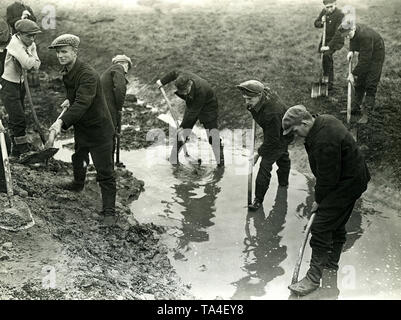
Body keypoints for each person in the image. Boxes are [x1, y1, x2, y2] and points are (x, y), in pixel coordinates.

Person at [282, 105, 370, 296]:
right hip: (352, 178)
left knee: (321, 226)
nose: (296, 136)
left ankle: (313, 278)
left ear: (305, 122)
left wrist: (319, 201)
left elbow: (327, 178)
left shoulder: (324, 140)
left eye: (296, 131)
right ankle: (331, 263)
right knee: (336, 223)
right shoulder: (323, 120)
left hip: (346, 184)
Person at [46, 34, 117, 223]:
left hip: (99, 129)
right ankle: (77, 184)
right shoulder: (68, 71)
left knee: (105, 172)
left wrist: (61, 123)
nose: (60, 56)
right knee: (79, 157)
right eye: (58, 52)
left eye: (64, 52)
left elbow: (83, 103)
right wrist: (69, 99)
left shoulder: (88, 74)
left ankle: (109, 213)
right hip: (83, 127)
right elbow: (77, 96)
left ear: (74, 52)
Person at [236, 80, 291, 211]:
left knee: (265, 165)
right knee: (283, 156)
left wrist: (258, 153)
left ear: (260, 95)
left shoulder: (272, 112)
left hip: (282, 135)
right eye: (245, 98)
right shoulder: (262, 94)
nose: (247, 102)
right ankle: (284, 184)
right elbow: (254, 109)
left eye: (250, 99)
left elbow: (272, 141)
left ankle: (258, 200)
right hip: (274, 129)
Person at [156, 70, 224, 166]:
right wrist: (162, 81)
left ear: (190, 84)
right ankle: (173, 157)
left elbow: (192, 114)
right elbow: (174, 72)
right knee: (183, 132)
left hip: (209, 107)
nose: (184, 94)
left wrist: (182, 127)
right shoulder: (182, 76)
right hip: (193, 103)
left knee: (212, 136)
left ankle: (220, 163)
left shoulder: (201, 90)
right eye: (182, 92)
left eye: (185, 92)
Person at [0, 19, 41, 158]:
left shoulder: (31, 44)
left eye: (34, 35)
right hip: (8, 84)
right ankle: (23, 151)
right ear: (20, 34)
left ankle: (15, 152)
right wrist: (31, 58)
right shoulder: (14, 44)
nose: (32, 39)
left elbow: (37, 64)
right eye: (29, 36)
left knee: (17, 115)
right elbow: (29, 64)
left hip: (21, 84)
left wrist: (30, 58)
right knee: (18, 117)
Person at [338, 20, 385, 124]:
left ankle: (366, 114)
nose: (347, 37)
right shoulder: (352, 31)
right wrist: (351, 50)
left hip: (376, 55)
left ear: (353, 28)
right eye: (345, 36)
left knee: (370, 84)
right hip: (366, 52)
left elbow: (365, 61)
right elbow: (352, 38)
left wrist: (353, 74)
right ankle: (355, 108)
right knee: (360, 82)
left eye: (348, 34)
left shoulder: (365, 36)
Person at [100, 54, 132, 161]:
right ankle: (109, 168)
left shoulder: (109, 72)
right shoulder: (119, 68)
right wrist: (119, 108)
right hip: (108, 109)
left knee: (106, 137)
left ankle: (107, 165)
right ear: (125, 64)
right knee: (109, 137)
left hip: (102, 108)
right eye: (127, 69)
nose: (126, 72)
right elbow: (120, 89)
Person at [314, 0, 344, 90]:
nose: (329, 9)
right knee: (323, 57)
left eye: (331, 6)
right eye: (327, 7)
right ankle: (324, 78)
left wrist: (329, 46)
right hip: (325, 39)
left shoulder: (340, 14)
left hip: (336, 40)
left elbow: (338, 33)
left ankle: (329, 82)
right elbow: (316, 23)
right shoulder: (324, 12)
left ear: (335, 4)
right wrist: (321, 22)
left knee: (327, 55)